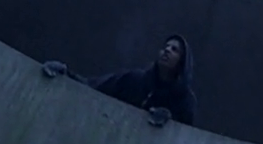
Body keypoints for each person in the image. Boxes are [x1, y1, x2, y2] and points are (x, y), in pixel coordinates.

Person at [42, 35, 195, 127]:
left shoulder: (185, 100)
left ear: (182, 62)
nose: (167, 50)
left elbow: (185, 139)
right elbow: (94, 86)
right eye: (166, 46)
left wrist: (169, 121)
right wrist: (65, 73)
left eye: (174, 49)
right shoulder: (135, 80)